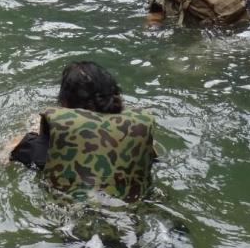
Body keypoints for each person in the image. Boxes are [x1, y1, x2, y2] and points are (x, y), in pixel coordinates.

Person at [9, 61, 156, 201]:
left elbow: (2, 159)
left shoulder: (45, 146)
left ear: (64, 103)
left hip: (71, 218)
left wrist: (32, 130)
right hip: (135, 211)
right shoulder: (135, 137)